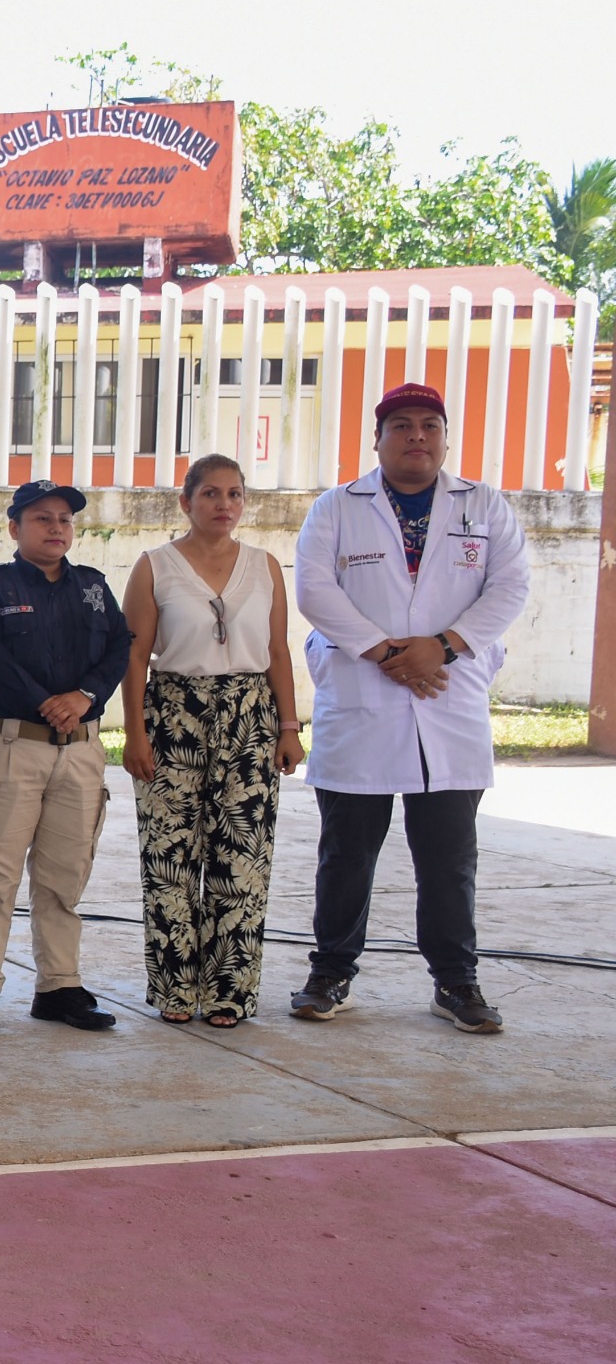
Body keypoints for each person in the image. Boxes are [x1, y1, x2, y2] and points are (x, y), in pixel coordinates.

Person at [291, 381, 532, 1033]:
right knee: (346, 855)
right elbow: (313, 587)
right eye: (401, 425)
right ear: (379, 438)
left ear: (445, 437)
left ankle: (456, 983)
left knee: (449, 861)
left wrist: (445, 647)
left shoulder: (484, 506)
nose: (416, 436)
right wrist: (383, 650)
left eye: (430, 425)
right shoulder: (338, 507)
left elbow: (511, 586)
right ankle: (330, 973)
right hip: (363, 699)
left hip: (448, 703)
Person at [119, 454, 305, 1028]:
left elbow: (277, 652)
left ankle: (228, 991)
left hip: (250, 718)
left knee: (242, 861)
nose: (224, 505)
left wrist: (290, 727)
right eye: (210, 494)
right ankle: (175, 990)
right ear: (186, 501)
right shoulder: (155, 567)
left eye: (234, 495)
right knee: (170, 859)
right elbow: (134, 657)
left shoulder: (265, 565)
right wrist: (133, 732)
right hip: (175, 716)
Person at [0, 479, 132, 1035]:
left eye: (64, 519)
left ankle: (59, 987)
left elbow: (119, 650)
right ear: (14, 528)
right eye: (42, 519)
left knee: (65, 877)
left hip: (79, 752)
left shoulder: (93, 588)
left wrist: (85, 697)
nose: (57, 528)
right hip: (13, 746)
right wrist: (45, 702)